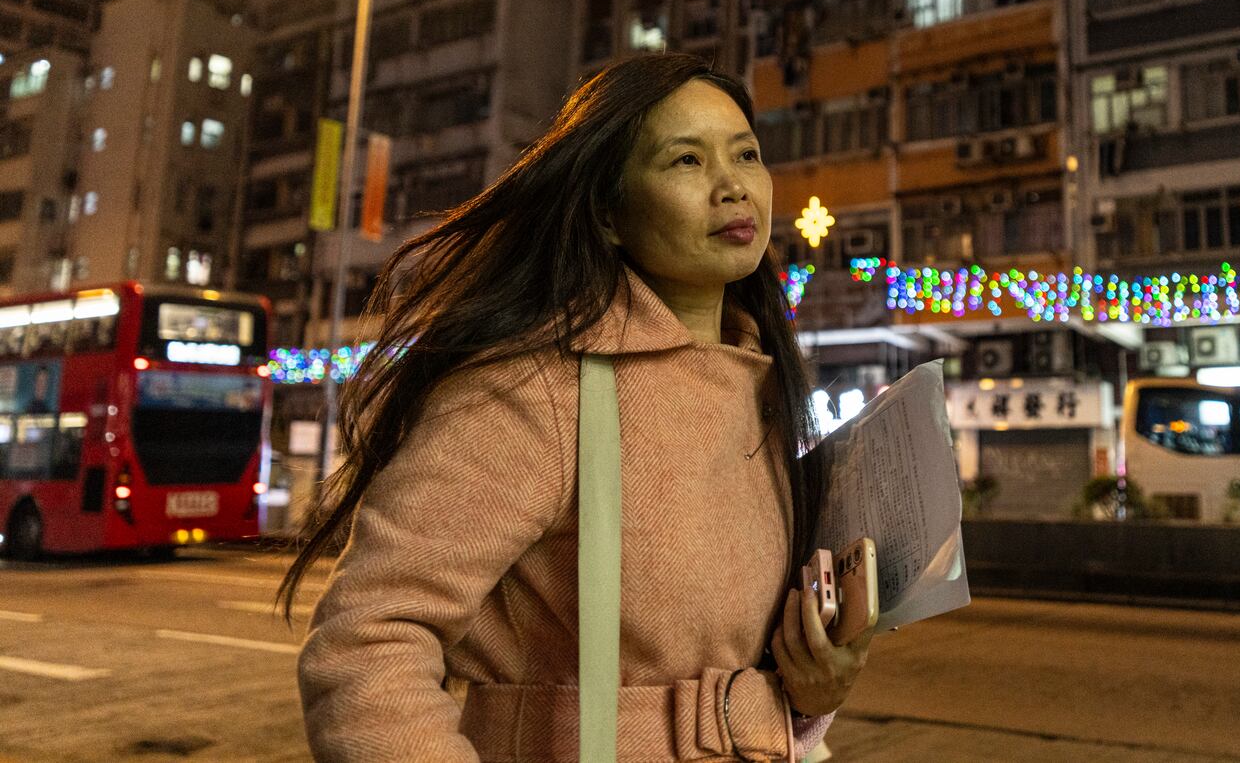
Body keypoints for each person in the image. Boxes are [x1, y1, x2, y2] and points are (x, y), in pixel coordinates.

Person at [283, 54, 871, 762]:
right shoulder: (536, 390)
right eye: (686, 161)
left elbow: (742, 671)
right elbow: (365, 643)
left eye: (746, 153)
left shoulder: (764, 394)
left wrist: (811, 696)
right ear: (608, 212)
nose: (732, 186)